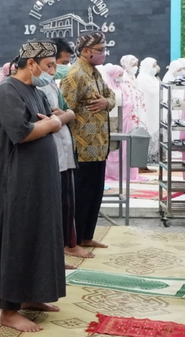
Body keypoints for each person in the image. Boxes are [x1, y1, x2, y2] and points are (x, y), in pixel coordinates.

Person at [0, 41, 65, 332]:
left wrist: (50, 123)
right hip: (18, 178)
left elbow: (53, 117)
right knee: (18, 237)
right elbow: (21, 132)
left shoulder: (35, 91)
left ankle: (34, 295)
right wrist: (50, 126)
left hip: (39, 178)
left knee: (41, 233)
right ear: (31, 63)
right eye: (48, 65)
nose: (52, 71)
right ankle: (8, 309)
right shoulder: (7, 89)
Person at [60, 32, 115, 252]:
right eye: (100, 50)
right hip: (82, 147)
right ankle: (71, 243)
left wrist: (105, 102)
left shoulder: (94, 72)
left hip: (99, 147)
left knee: (94, 193)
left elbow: (111, 97)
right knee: (80, 197)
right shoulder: (75, 74)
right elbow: (65, 107)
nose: (104, 54)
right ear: (85, 51)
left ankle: (86, 236)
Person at [39, 38, 90, 262]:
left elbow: (67, 112)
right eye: (57, 63)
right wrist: (61, 116)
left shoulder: (51, 83)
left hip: (64, 149)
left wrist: (64, 116)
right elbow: (47, 118)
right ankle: (60, 249)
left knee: (67, 202)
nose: (59, 69)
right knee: (54, 206)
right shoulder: (35, 85)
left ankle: (67, 244)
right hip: (50, 153)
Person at [105, 64, 145, 182]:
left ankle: (128, 173)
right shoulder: (107, 87)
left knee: (126, 148)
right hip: (113, 122)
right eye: (119, 75)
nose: (121, 77)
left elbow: (128, 101)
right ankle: (113, 173)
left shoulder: (123, 86)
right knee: (114, 150)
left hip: (126, 121)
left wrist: (127, 104)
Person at [137, 57, 160, 163]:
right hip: (147, 109)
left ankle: (155, 155)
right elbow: (153, 90)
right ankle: (147, 157)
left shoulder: (152, 78)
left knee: (156, 128)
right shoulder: (142, 77)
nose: (155, 68)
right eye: (153, 65)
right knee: (149, 129)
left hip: (154, 108)